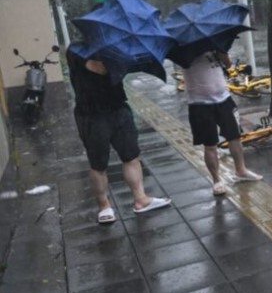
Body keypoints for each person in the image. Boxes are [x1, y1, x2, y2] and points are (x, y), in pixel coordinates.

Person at [67, 46, 172, 225]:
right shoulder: (77, 49)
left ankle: (141, 199)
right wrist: (120, 60)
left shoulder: (116, 49)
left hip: (118, 109)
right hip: (91, 115)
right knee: (98, 163)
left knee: (131, 156)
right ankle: (104, 206)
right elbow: (99, 68)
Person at [181, 50, 262, 196]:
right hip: (199, 104)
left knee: (235, 136)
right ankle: (217, 180)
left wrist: (220, 53)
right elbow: (184, 63)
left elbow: (228, 64)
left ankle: (241, 170)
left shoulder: (214, 43)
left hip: (224, 99)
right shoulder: (183, 48)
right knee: (210, 144)